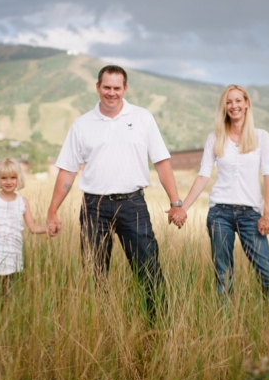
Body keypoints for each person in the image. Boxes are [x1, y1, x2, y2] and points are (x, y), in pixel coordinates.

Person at [46, 65, 186, 321]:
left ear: (125, 89)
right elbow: (67, 171)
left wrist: (176, 203)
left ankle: (158, 327)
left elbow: (162, 161)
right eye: (107, 87)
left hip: (132, 205)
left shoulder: (142, 118)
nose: (112, 93)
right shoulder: (82, 125)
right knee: (93, 273)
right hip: (93, 207)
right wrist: (52, 210)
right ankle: (102, 328)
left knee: (148, 270)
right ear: (98, 87)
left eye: (117, 88)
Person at [179, 84, 269, 303]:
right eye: (228, 102)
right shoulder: (215, 138)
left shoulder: (262, 137)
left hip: (251, 215)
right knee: (223, 278)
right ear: (224, 107)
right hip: (220, 214)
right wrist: (183, 208)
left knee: (268, 275)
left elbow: (268, 176)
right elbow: (203, 176)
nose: (233, 106)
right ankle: (225, 330)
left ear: (246, 103)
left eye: (237, 101)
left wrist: (268, 214)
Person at [0, 157, 47, 294]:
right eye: (4, 178)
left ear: (18, 179)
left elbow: (33, 228)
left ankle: (7, 314)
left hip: (12, 254)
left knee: (9, 291)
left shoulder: (23, 202)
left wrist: (48, 228)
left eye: (12, 178)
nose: (8, 182)